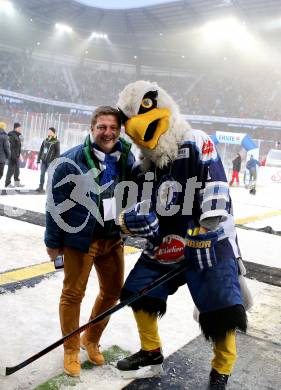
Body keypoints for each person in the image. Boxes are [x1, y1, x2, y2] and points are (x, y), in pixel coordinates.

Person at [115, 81, 248, 390]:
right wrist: (133, 221)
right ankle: (151, 353)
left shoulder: (195, 141)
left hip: (208, 241)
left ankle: (222, 369)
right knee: (139, 290)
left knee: (220, 307)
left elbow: (216, 186)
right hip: (167, 241)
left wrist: (206, 228)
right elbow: (134, 206)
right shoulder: (143, 166)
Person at [44, 106, 135, 377]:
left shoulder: (126, 160)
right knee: (73, 294)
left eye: (113, 129)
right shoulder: (70, 160)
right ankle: (71, 348)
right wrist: (52, 242)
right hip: (80, 239)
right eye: (102, 127)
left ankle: (91, 338)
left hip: (112, 238)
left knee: (113, 292)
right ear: (92, 128)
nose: (107, 133)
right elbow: (54, 205)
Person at [36, 127, 60, 193]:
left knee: (49, 176)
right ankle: (41, 187)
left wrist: (54, 161)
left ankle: (48, 189)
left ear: (53, 133)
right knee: (42, 174)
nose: (49, 132)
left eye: (50, 131)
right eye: (48, 131)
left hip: (50, 161)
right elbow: (41, 150)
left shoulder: (56, 141)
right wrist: (38, 159)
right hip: (43, 161)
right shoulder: (45, 140)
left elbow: (57, 153)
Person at [5, 122, 24, 188]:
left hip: (16, 156)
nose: (20, 129)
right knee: (11, 170)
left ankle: (17, 183)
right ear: (16, 128)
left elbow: (18, 146)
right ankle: (7, 183)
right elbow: (11, 147)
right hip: (12, 156)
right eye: (19, 128)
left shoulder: (17, 135)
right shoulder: (12, 135)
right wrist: (13, 156)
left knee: (17, 170)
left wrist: (18, 155)